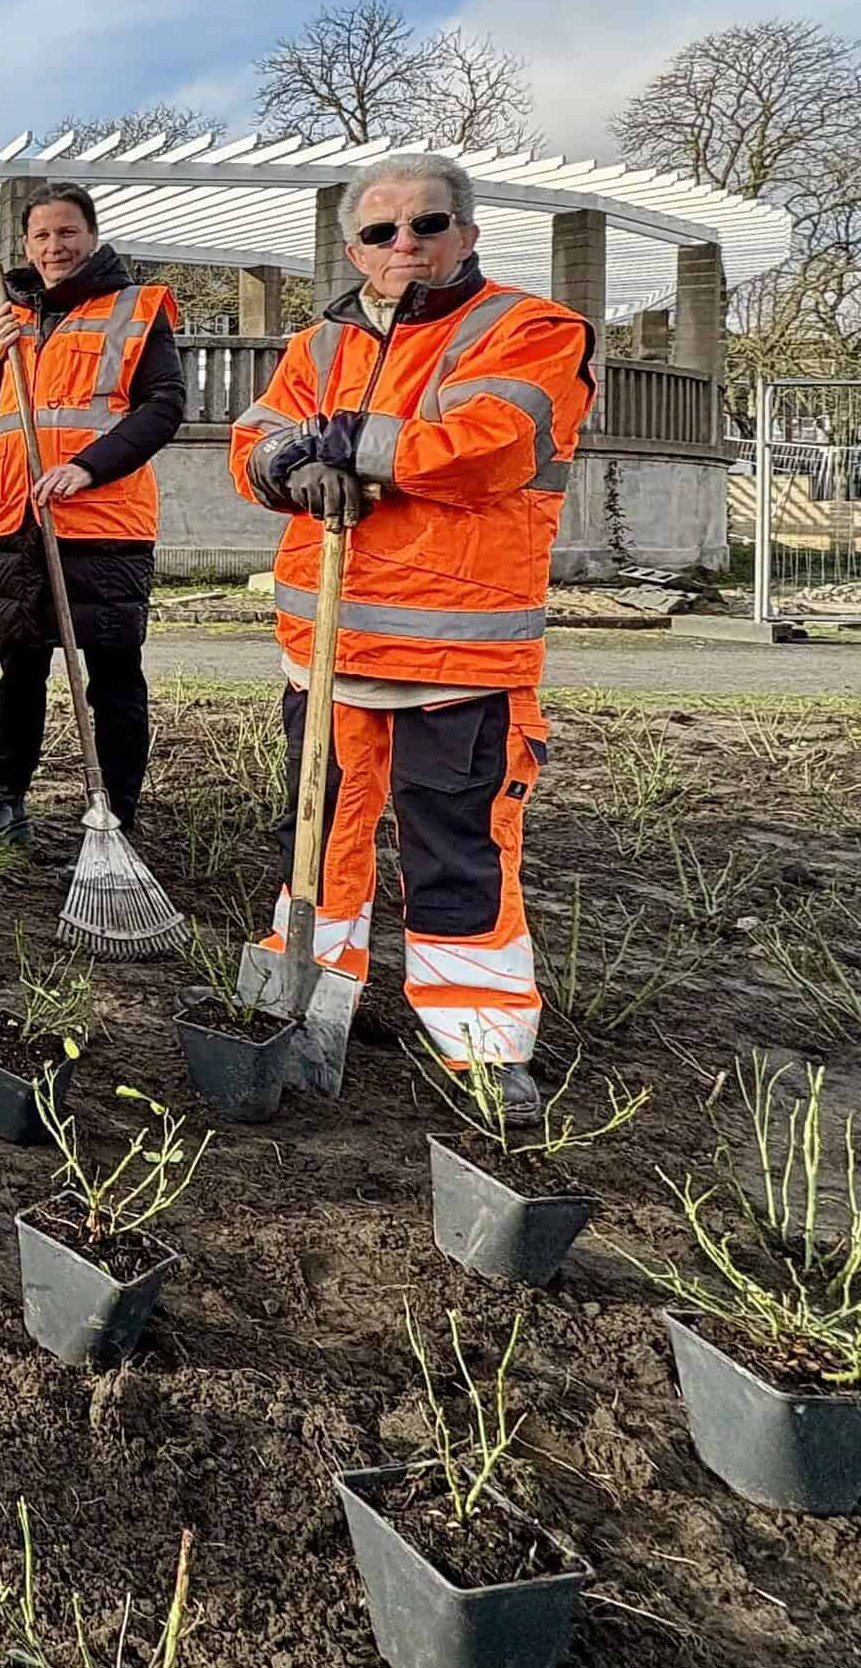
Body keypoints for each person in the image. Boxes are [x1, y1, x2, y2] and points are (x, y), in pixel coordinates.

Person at [230, 152, 593, 1121]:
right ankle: (304, 998)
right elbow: (253, 437)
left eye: (426, 225)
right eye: (381, 232)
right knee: (316, 842)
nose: (404, 246)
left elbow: (493, 444)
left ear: (466, 235)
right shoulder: (319, 343)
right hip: (327, 653)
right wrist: (287, 468)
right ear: (353, 246)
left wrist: (348, 444)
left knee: (457, 847)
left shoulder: (529, 330)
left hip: (455, 657)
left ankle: (481, 1041)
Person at [0, 182, 184, 845]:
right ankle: (8, 797)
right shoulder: (11, 316)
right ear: (25, 244)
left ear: (90, 235)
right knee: (18, 669)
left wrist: (88, 466)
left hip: (103, 520)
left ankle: (116, 812)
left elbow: (163, 407)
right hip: (18, 517)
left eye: (66, 232)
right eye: (41, 236)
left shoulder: (135, 309)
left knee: (114, 672)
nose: (54, 247)